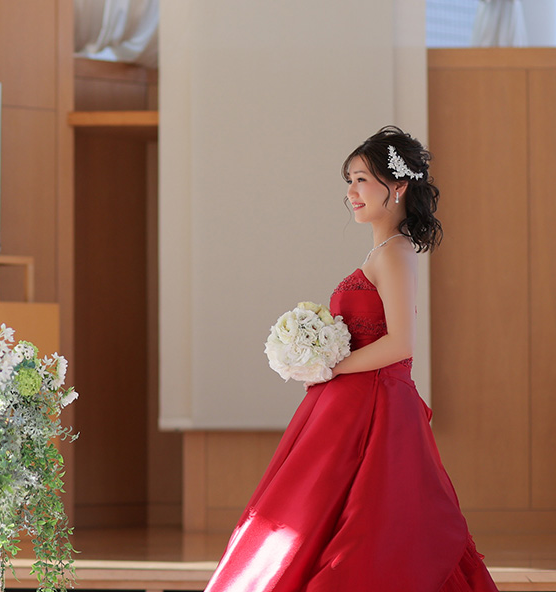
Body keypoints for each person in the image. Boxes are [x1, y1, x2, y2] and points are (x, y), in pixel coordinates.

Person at [203, 126, 498, 592]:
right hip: (350, 404)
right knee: (309, 512)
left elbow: (401, 344)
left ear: (397, 186)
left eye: (361, 179)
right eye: (350, 180)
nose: (351, 192)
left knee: (359, 524)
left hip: (374, 409)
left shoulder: (397, 252)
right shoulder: (382, 251)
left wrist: (327, 366)